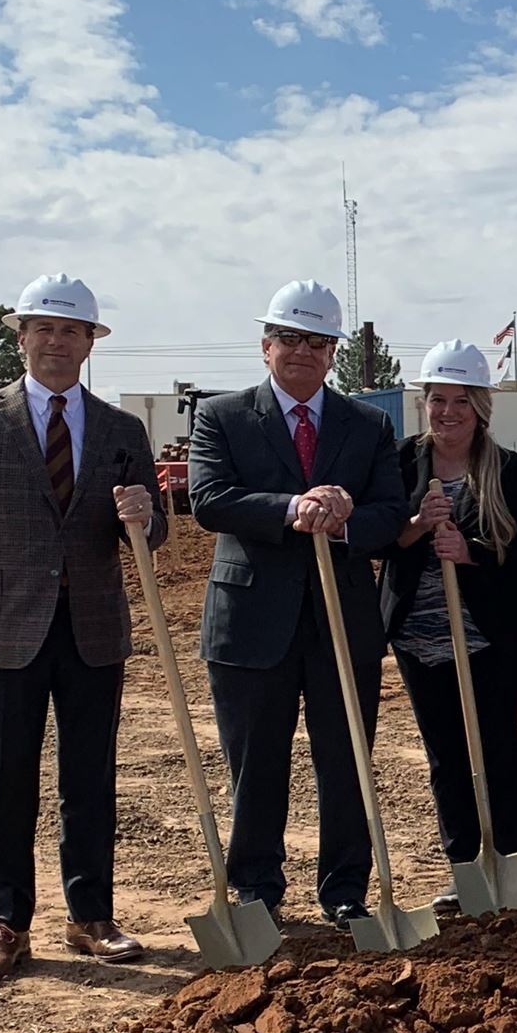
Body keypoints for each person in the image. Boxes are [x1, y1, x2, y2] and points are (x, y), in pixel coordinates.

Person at [0, 274, 167, 985]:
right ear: (21, 335)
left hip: (92, 630)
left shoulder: (122, 430)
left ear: (91, 343)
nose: (57, 342)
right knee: (7, 780)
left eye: (72, 331)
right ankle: (7, 922)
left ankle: (91, 915)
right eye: (44, 329)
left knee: (89, 778)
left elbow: (153, 539)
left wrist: (144, 518)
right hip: (2, 629)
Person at [189, 280, 410, 926]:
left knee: (345, 760)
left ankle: (345, 887)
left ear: (333, 351)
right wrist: (293, 508)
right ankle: (256, 887)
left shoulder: (367, 424)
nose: (303, 352)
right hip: (251, 623)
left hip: (340, 619)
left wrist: (344, 517)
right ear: (266, 346)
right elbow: (210, 499)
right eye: (290, 339)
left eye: (317, 342)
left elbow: (391, 512)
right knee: (256, 761)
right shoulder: (222, 416)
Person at [380, 340, 517, 916]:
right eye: (436, 399)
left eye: (460, 400)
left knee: (497, 749)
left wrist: (472, 550)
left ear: (480, 407)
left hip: (490, 636)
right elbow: (375, 537)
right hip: (418, 638)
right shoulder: (400, 463)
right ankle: (464, 872)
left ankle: (510, 866)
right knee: (445, 755)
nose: (447, 412)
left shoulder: (509, 470)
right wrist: (413, 528)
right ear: (424, 403)